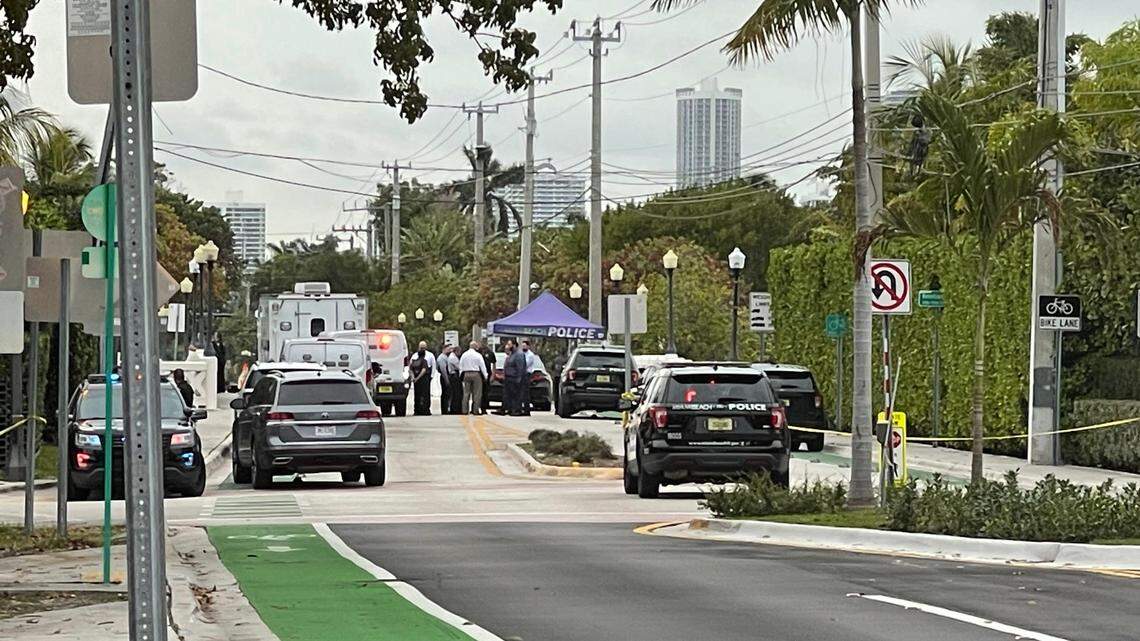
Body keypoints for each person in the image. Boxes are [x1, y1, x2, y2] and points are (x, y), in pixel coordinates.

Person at [459, 341, 488, 414]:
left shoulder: (464, 355)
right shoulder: (478, 355)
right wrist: (485, 375)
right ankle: (475, 410)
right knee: (477, 393)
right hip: (476, 374)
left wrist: (461, 375)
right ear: (475, 347)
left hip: (466, 374)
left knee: (466, 393)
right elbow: (482, 366)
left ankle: (465, 410)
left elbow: (461, 365)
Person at [409, 341, 435, 416]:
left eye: (423, 347)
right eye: (421, 347)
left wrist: (431, 377)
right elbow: (411, 368)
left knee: (426, 394)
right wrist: (414, 378)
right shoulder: (414, 356)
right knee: (417, 394)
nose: (422, 349)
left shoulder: (430, 355)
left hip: (426, 378)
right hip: (418, 378)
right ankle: (417, 410)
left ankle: (426, 409)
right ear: (418, 347)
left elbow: (433, 366)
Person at [503, 340, 528, 416]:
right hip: (509, 378)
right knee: (510, 395)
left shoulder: (519, 354)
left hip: (515, 378)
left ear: (514, 345)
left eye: (509, 344)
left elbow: (520, 368)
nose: (508, 346)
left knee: (517, 395)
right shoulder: (512, 354)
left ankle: (517, 410)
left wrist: (519, 378)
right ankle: (511, 409)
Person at [436, 345, 454, 415]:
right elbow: (443, 370)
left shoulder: (446, 357)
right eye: (448, 349)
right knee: (445, 394)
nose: (450, 351)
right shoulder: (442, 358)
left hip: (446, 377)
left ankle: (446, 408)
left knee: (447, 394)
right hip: (444, 377)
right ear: (444, 349)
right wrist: (446, 380)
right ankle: (445, 410)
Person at [480, 345, 496, 414]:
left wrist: (493, 375)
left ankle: (484, 408)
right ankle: (476, 408)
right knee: (478, 392)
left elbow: (494, 363)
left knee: (485, 392)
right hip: (479, 375)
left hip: (488, 374)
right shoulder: (478, 352)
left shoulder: (490, 353)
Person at [447, 347, 463, 414]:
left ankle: (456, 408)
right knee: (456, 393)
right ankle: (455, 409)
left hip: (454, 376)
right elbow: (459, 366)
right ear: (456, 351)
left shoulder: (452, 357)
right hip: (454, 376)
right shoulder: (453, 358)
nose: (460, 353)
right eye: (459, 352)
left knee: (456, 393)